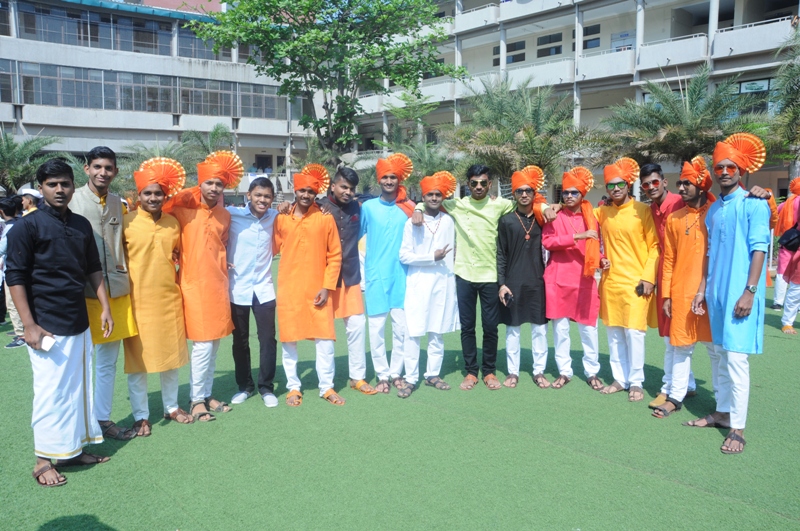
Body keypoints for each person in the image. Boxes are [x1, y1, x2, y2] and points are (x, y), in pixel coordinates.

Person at [7, 159, 113, 487]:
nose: (59, 190)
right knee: (50, 393)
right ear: (40, 188)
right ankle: (42, 460)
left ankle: (71, 451)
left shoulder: (81, 225)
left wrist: (105, 308)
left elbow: (93, 268)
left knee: (77, 390)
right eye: (52, 184)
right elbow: (15, 276)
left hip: (78, 320)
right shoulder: (27, 227)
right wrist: (29, 325)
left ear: (72, 185)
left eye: (64, 183)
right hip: (45, 325)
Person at [411, 164, 555, 391]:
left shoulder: (501, 204)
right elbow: (433, 200)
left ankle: (488, 371)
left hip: (490, 276)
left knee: (490, 327)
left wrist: (546, 206)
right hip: (464, 275)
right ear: (468, 185)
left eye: (483, 183)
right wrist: (418, 207)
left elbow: (528, 201)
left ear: (490, 185)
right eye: (474, 183)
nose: (478, 187)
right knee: (468, 327)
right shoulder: (457, 204)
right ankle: (471, 371)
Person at [685, 133, 770, 455]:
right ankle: (722, 413)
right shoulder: (714, 210)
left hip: (740, 295)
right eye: (719, 167)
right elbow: (709, 253)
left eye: (730, 167)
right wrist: (702, 290)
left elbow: (760, 249)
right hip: (716, 295)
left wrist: (750, 292)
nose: (724, 172)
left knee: (736, 359)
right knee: (720, 354)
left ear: (741, 170)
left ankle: (738, 428)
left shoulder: (754, 204)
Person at [164, 151, 239, 422]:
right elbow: (160, 210)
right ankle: (196, 399)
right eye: (209, 183)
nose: (214, 188)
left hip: (218, 284)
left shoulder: (225, 215)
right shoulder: (182, 209)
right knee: (203, 345)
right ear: (200, 183)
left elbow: (222, 245)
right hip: (194, 285)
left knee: (214, 344)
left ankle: (207, 394)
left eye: (219, 183)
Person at [70, 146, 138, 442]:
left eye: (108, 168)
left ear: (115, 172)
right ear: (86, 168)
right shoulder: (71, 201)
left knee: (107, 362)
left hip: (116, 291)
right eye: (97, 167)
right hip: (81, 293)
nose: (102, 172)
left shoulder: (118, 203)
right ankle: (78, 424)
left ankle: (102, 419)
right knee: (80, 363)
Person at [123, 158, 193, 435]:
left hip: (168, 300)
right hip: (136, 302)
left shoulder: (173, 223)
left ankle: (171, 407)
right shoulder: (126, 223)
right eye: (148, 193)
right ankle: (141, 415)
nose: (153, 198)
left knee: (171, 359)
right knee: (137, 363)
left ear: (165, 196)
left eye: (158, 193)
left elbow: (178, 255)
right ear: (138, 195)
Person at [274, 164, 344, 406]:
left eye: (311, 192)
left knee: (324, 340)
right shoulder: (282, 218)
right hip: (289, 289)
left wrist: (327, 286)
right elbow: (270, 247)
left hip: (318, 289)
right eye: (302, 191)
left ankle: (326, 386)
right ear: (295, 191)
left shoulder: (325, 218)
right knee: (289, 341)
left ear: (316, 193)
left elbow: (335, 255)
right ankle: (293, 387)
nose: (306, 195)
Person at [654, 157, 715, 418]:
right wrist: (667, 295)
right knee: (681, 347)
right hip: (681, 291)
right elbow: (668, 259)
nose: (680, 188)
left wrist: (765, 196)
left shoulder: (716, 212)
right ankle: (675, 397)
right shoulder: (675, 218)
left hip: (711, 291)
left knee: (716, 349)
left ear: (702, 186)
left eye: (686, 183)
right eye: (679, 183)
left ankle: (723, 403)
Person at [594, 157, 659, 402]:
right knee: (614, 334)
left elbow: (655, 246)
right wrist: (549, 207)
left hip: (637, 283)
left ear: (628, 184)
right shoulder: (602, 212)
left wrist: (648, 278)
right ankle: (620, 379)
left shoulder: (643, 210)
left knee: (634, 334)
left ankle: (636, 381)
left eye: (620, 184)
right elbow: (579, 216)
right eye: (611, 185)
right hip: (611, 282)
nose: (616, 189)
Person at [640, 163, 697, 409]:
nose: (651, 187)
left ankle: (670, 389)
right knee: (669, 334)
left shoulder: (681, 202)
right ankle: (687, 384)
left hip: (686, 274)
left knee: (679, 336)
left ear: (664, 182)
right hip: (665, 273)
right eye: (646, 184)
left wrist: (765, 195)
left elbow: (710, 202)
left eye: (655, 182)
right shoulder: (650, 209)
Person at [541, 167, 604, 391]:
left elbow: (596, 246)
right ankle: (564, 371)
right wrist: (577, 236)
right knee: (560, 330)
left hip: (584, 278)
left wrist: (603, 260)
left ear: (582, 194)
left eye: (574, 192)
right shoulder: (553, 215)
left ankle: (592, 372)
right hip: (558, 278)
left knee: (588, 329)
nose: (568, 196)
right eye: (565, 192)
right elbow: (548, 242)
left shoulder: (592, 217)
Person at [399, 171, 460, 397]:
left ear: (443, 197)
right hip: (418, 284)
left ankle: (432, 374)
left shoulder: (449, 221)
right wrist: (430, 257)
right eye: (430, 195)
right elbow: (404, 255)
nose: (434, 198)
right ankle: (410, 378)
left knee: (437, 331)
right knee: (413, 332)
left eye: (438, 194)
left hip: (443, 283)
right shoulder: (411, 222)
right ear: (423, 197)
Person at [318, 168, 377, 396]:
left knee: (357, 326)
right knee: (325, 333)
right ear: (333, 186)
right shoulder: (318, 207)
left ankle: (357, 377)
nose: (348, 192)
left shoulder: (359, 207)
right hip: (324, 280)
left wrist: (418, 207)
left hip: (351, 277)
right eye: (343, 187)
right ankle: (326, 384)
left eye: (351, 189)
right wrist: (286, 205)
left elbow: (395, 201)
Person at [360, 153, 415, 393]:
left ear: (399, 179)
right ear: (379, 180)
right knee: (376, 329)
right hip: (376, 276)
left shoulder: (409, 208)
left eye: (393, 177)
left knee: (401, 328)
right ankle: (382, 374)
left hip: (402, 276)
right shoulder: (368, 207)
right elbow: (354, 235)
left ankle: (396, 372)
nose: (389, 181)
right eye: (385, 177)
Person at [226, 177, 280, 408]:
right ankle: (245, 386)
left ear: (272, 199)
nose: (262, 200)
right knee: (240, 340)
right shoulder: (231, 214)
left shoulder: (276, 217)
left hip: (264, 288)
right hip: (237, 287)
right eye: (258, 195)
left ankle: (266, 387)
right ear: (248, 195)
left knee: (267, 339)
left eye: (267, 196)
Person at [497, 166, 549, 389]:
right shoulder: (507, 220)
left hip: (538, 282)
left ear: (535, 193)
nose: (524, 194)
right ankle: (513, 372)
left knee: (539, 329)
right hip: (513, 283)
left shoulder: (543, 219)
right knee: (513, 329)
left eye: (528, 190)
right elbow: (501, 253)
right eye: (520, 191)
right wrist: (502, 284)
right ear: (514, 194)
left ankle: (539, 371)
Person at [0, 196, 25, 348]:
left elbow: (1, 249)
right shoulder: (21, 223)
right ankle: (20, 330)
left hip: (12, 270)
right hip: (21, 269)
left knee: (12, 303)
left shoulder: (9, 228)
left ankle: (21, 335)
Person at [776, 178, 800, 323]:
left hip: (789, 240)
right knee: (796, 281)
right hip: (795, 242)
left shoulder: (787, 203)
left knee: (782, 271)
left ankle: (778, 302)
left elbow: (774, 214)